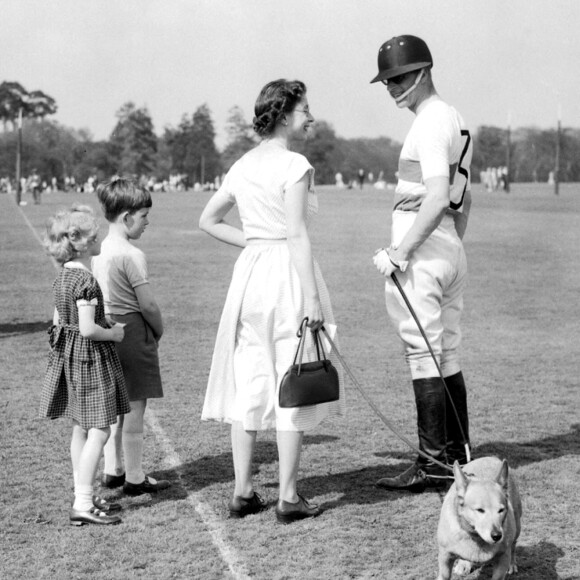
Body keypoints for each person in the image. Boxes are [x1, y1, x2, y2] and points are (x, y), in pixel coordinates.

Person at [199, 79, 345, 523]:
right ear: (284, 114)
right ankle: (287, 496)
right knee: (292, 378)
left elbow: (208, 220)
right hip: (285, 275)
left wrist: (254, 241)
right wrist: (313, 300)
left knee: (252, 381)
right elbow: (297, 233)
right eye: (305, 109)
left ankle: (243, 492)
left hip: (251, 277)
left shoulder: (241, 164)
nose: (311, 116)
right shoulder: (294, 163)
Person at [370, 35, 473, 492]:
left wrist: (403, 251)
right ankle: (458, 458)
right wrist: (450, 246)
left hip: (425, 246)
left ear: (425, 71)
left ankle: (432, 464)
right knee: (446, 351)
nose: (393, 86)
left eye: (401, 76)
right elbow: (461, 199)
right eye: (388, 80)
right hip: (449, 245)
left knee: (422, 352)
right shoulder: (455, 118)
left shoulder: (430, 122)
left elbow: (435, 197)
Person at [39, 205, 131, 525]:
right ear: (82, 242)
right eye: (94, 234)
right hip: (90, 360)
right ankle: (81, 502)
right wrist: (114, 333)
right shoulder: (86, 281)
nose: (99, 237)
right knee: (101, 429)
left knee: (80, 426)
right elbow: (89, 329)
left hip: (70, 359)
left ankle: (85, 494)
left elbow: (60, 320)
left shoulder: (63, 276)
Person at [92, 176, 170, 496]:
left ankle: (113, 469)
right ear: (126, 217)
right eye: (143, 216)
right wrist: (158, 329)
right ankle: (135, 477)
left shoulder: (98, 251)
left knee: (114, 406)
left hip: (106, 329)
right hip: (133, 331)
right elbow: (147, 304)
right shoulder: (132, 255)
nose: (147, 222)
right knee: (136, 407)